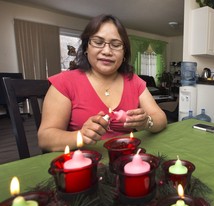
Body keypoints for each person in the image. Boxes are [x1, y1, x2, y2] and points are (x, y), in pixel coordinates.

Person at [38, 14, 167, 152]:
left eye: (116, 45)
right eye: (98, 42)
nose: (107, 51)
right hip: (84, 165)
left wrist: (146, 121)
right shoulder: (64, 82)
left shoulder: (134, 82)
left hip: (125, 161)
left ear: (124, 53)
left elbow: (161, 119)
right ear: (86, 48)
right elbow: (45, 138)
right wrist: (81, 135)